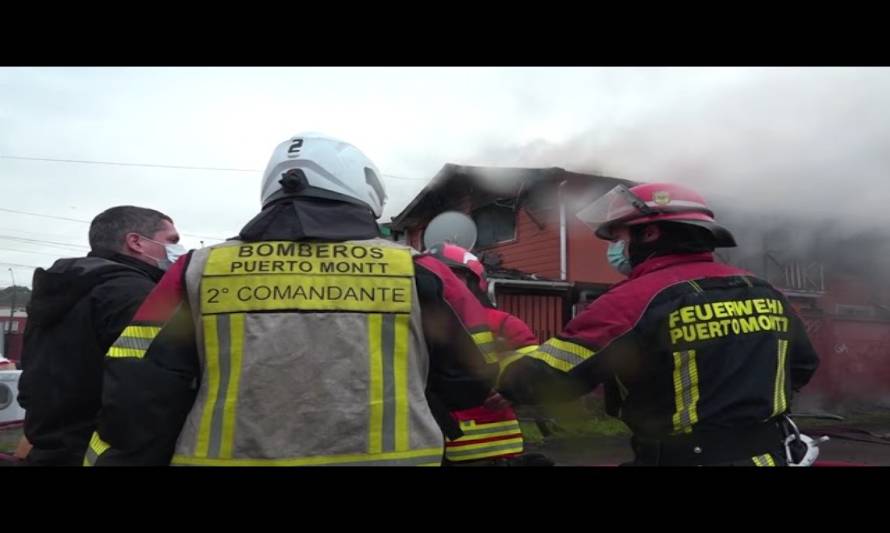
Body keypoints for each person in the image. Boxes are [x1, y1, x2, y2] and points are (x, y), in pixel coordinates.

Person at [85, 133, 499, 466]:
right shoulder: (421, 271)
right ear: (363, 188)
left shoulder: (195, 269)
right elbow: (473, 378)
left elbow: (138, 386)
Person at [496, 182, 820, 466]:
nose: (614, 248)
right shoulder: (764, 291)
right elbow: (803, 365)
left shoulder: (630, 301)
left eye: (618, 236)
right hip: (772, 456)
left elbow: (546, 381)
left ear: (649, 233)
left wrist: (499, 369)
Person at [17, 205, 182, 466]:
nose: (177, 250)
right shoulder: (138, 295)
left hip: (48, 450)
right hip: (102, 456)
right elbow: (147, 392)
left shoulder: (58, 292)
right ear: (136, 242)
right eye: (172, 241)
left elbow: (32, 381)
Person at [425, 242, 554, 466]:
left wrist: (513, 391)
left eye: (453, 277)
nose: (443, 284)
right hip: (425, 442)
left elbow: (537, 370)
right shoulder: (414, 324)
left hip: (489, 447)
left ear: (475, 283)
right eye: (434, 277)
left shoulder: (502, 324)